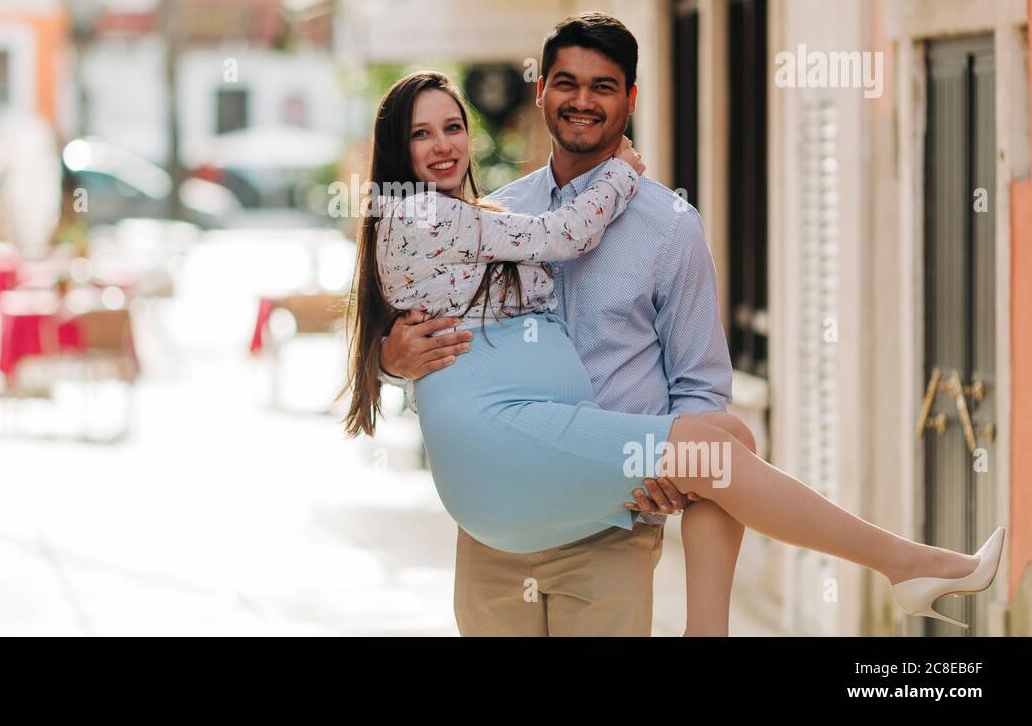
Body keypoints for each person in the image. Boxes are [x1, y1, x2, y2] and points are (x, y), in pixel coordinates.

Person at [341, 48, 1004, 637]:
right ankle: (904, 565)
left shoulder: (660, 225)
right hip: (511, 474)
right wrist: (387, 359)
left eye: (451, 126)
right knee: (721, 447)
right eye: (419, 133)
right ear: (540, 93)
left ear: (630, 99)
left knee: (727, 441)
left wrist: (671, 464)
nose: (441, 144)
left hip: (591, 503)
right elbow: (554, 245)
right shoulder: (468, 213)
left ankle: (750, 616)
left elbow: (696, 382)